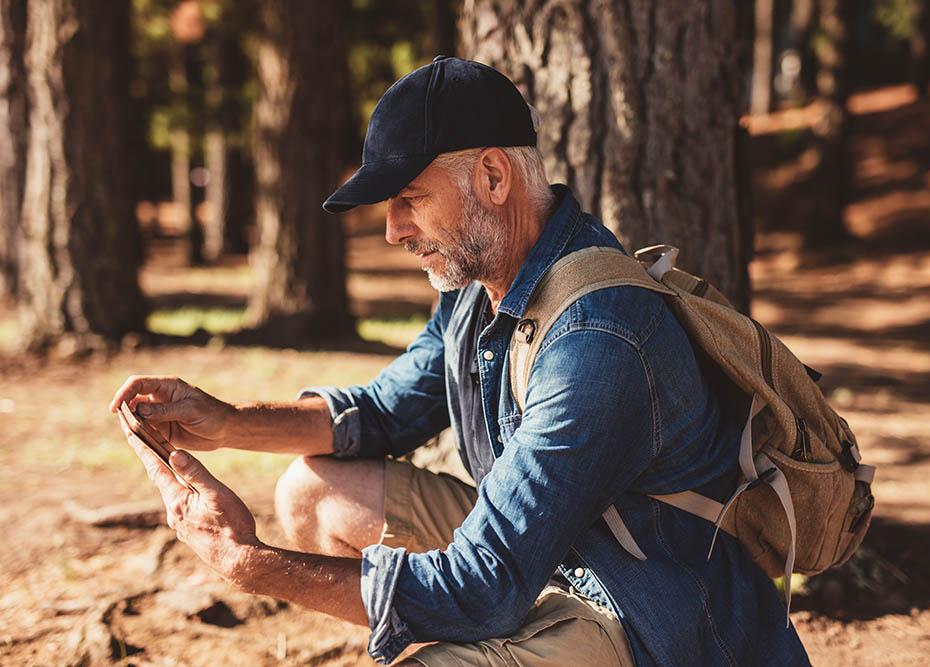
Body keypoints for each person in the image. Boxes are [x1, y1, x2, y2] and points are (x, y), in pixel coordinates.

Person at [110, 56, 808, 666]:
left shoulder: (598, 337)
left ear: (494, 177)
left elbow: (484, 581)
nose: (391, 231)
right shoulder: (481, 285)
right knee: (313, 490)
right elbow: (386, 411)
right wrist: (223, 421)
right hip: (554, 557)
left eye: (409, 199)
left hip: (653, 620)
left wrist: (247, 561)